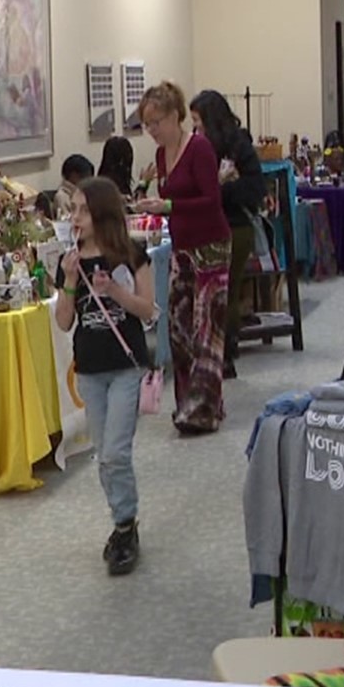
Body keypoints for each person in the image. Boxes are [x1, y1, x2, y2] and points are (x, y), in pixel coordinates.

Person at [54, 177, 157, 575]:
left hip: (126, 366)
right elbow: (64, 322)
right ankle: (122, 522)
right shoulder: (71, 260)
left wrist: (114, 291)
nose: (75, 217)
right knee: (104, 456)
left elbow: (148, 310)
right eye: (73, 210)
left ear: (102, 212)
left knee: (115, 451)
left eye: (82, 209)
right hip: (91, 369)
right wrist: (68, 281)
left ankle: (125, 524)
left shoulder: (132, 254)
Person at [134, 81, 229, 434]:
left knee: (207, 327)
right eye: (147, 125)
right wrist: (154, 206)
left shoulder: (200, 149)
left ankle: (204, 410)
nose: (153, 131)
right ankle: (190, 401)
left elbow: (211, 201)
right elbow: (169, 199)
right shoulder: (160, 156)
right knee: (178, 324)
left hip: (211, 245)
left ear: (175, 117)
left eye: (156, 122)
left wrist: (169, 206)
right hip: (182, 246)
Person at [189, 89, 265, 373]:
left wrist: (218, 190)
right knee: (211, 293)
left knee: (226, 292)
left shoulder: (238, 146)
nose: (194, 128)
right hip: (205, 227)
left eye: (198, 121)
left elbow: (254, 189)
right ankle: (213, 349)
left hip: (236, 227)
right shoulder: (197, 147)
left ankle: (226, 351)